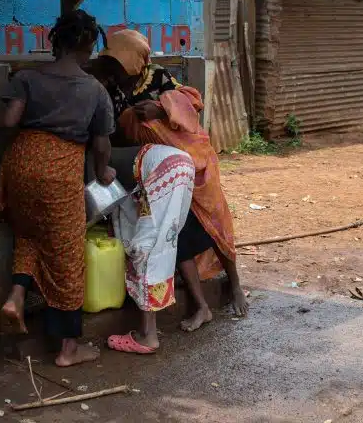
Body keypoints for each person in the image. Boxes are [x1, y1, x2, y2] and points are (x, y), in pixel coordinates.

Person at [0, 10, 116, 368]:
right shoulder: (95, 91)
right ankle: (68, 348)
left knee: (29, 235)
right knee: (66, 256)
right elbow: (101, 145)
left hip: (20, 165)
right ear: (88, 46)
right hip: (59, 173)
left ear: (56, 41)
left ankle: (16, 297)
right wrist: (103, 170)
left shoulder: (28, 77)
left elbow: (7, 121)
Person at [91, 29, 248, 331]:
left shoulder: (157, 75)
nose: (117, 70)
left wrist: (160, 109)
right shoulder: (110, 88)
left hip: (194, 159)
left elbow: (193, 103)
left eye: (121, 64)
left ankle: (236, 284)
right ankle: (201, 306)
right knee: (177, 232)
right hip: (159, 169)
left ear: (136, 61)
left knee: (216, 223)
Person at [106, 144, 196, 353]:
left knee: (145, 249)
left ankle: (148, 336)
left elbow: (122, 213)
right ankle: (148, 331)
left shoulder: (96, 164)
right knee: (164, 242)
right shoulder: (120, 162)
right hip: (183, 161)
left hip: (163, 167)